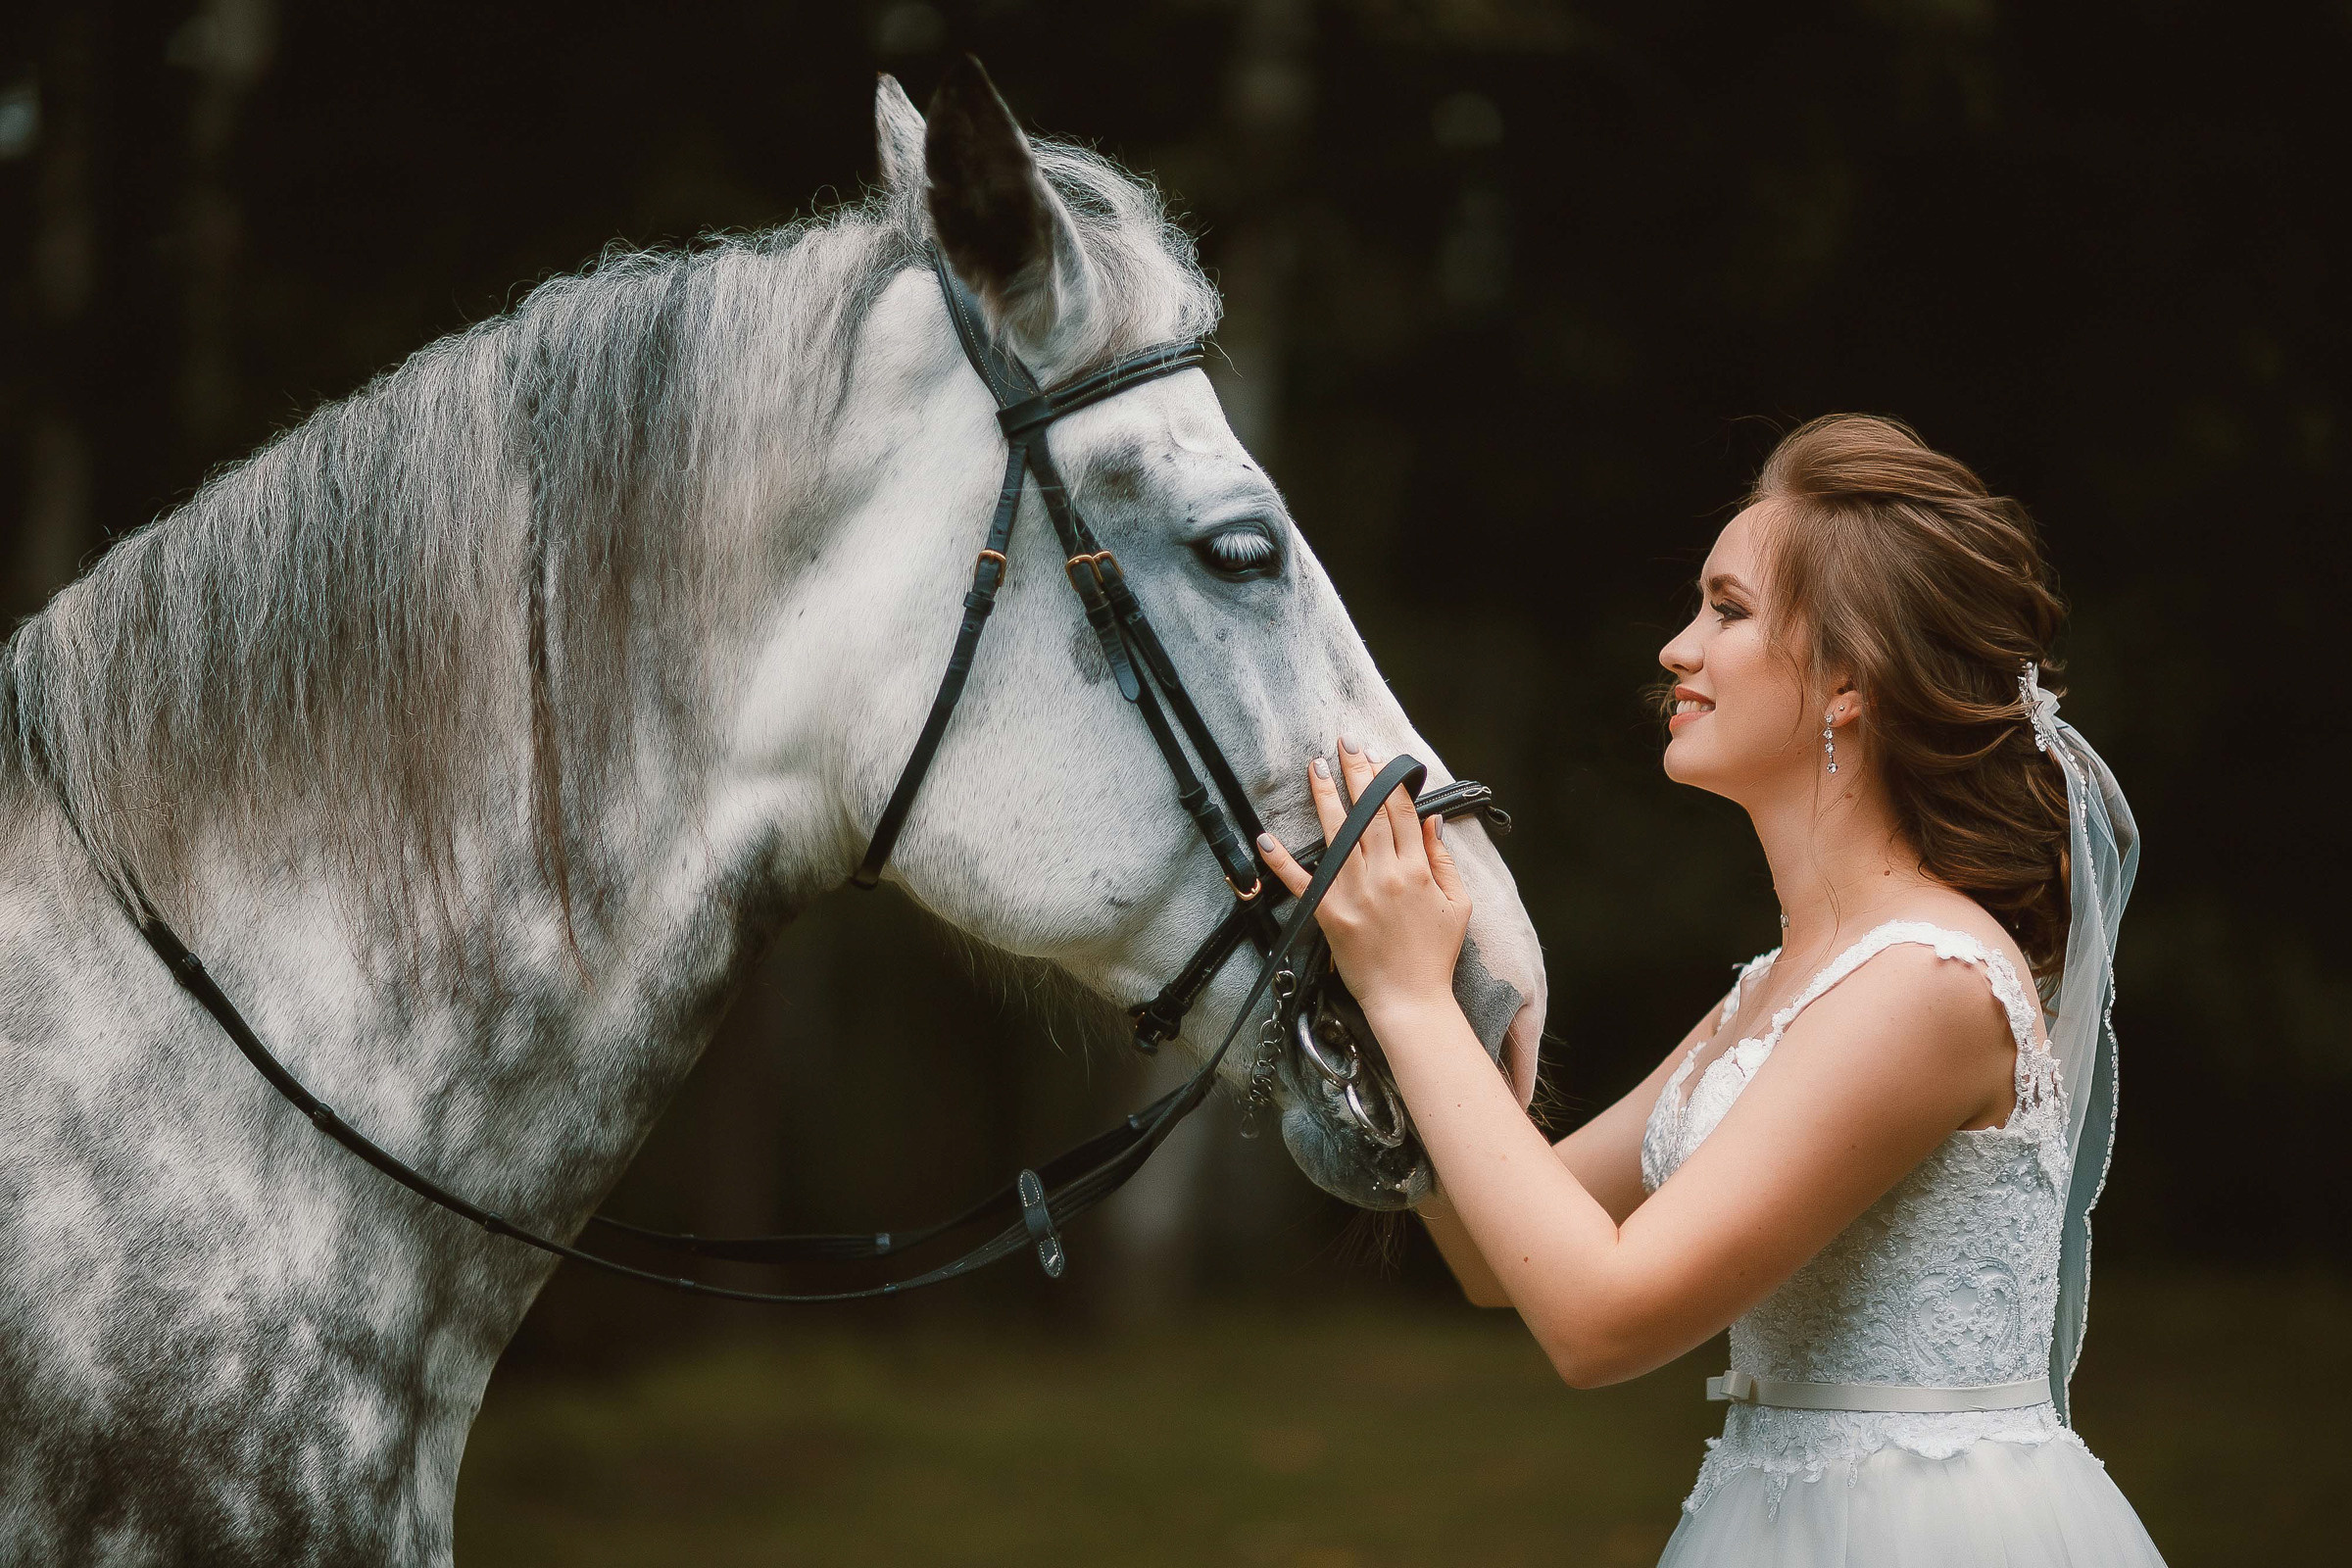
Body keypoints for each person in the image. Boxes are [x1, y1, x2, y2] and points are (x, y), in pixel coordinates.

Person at [1256, 415, 2160, 1565]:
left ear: (1850, 680)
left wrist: (1414, 1001)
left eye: (1727, 611)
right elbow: (1497, 1261)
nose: (1678, 648)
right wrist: (1380, 999)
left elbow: (1599, 1320)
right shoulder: (1774, 990)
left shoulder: (1931, 982)